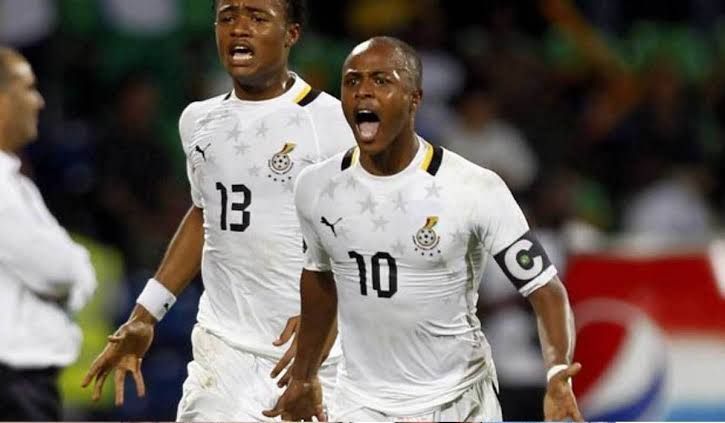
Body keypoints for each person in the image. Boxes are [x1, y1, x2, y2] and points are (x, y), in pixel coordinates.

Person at [264, 36, 584, 422]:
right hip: (361, 403)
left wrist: (556, 373)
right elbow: (320, 279)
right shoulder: (316, 187)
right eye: (352, 81)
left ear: (415, 99)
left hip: (458, 402)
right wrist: (304, 374)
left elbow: (545, 289)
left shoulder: (474, 187)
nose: (363, 91)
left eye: (382, 81)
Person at [82, 0, 353, 420]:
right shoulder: (198, 120)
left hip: (316, 360)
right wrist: (145, 314)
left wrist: (325, 325)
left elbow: (365, 240)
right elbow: (204, 214)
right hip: (222, 350)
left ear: (291, 34)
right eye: (228, 17)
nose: (239, 29)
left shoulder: (335, 124)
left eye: (257, 18)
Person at [0, 46, 97, 420]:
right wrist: (73, 273)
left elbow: (73, 273)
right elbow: (61, 271)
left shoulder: (16, 182)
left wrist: (73, 273)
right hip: (13, 385)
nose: (38, 102)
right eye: (28, 89)